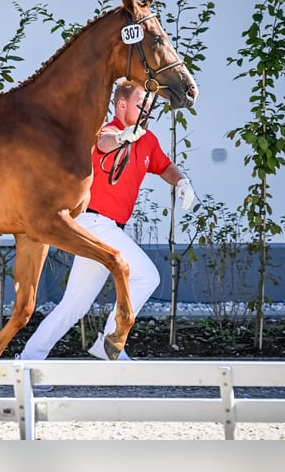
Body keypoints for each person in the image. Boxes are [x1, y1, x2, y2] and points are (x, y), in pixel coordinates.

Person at [18, 78, 196, 366]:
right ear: (122, 105)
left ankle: (27, 361)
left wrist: (182, 182)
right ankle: (110, 341)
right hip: (94, 223)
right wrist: (125, 136)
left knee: (73, 306)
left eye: (149, 106)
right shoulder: (109, 130)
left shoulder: (148, 140)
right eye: (141, 105)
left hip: (110, 230)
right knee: (147, 276)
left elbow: (164, 166)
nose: (147, 111)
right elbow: (103, 144)